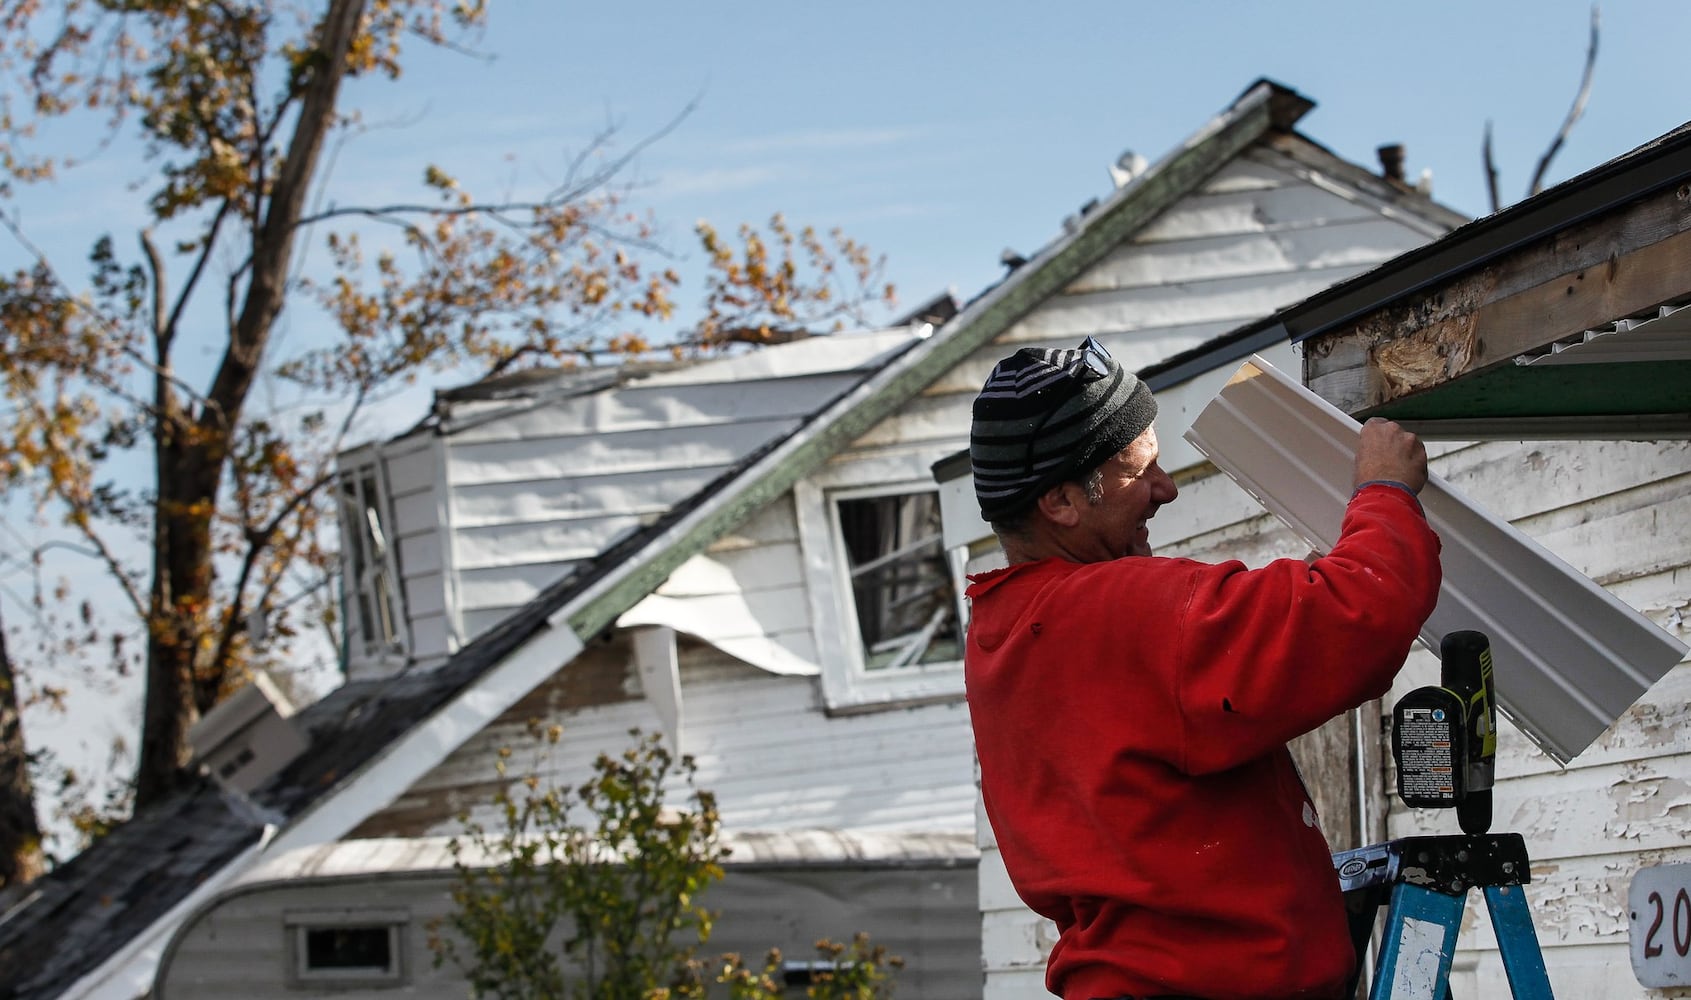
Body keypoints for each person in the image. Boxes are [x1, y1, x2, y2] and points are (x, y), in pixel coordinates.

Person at [964, 337, 1442, 1000]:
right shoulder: (1111, 613)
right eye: (1141, 471)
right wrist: (1385, 492)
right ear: (1062, 503)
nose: (1164, 491)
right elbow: (1357, 613)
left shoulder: (1006, 632)